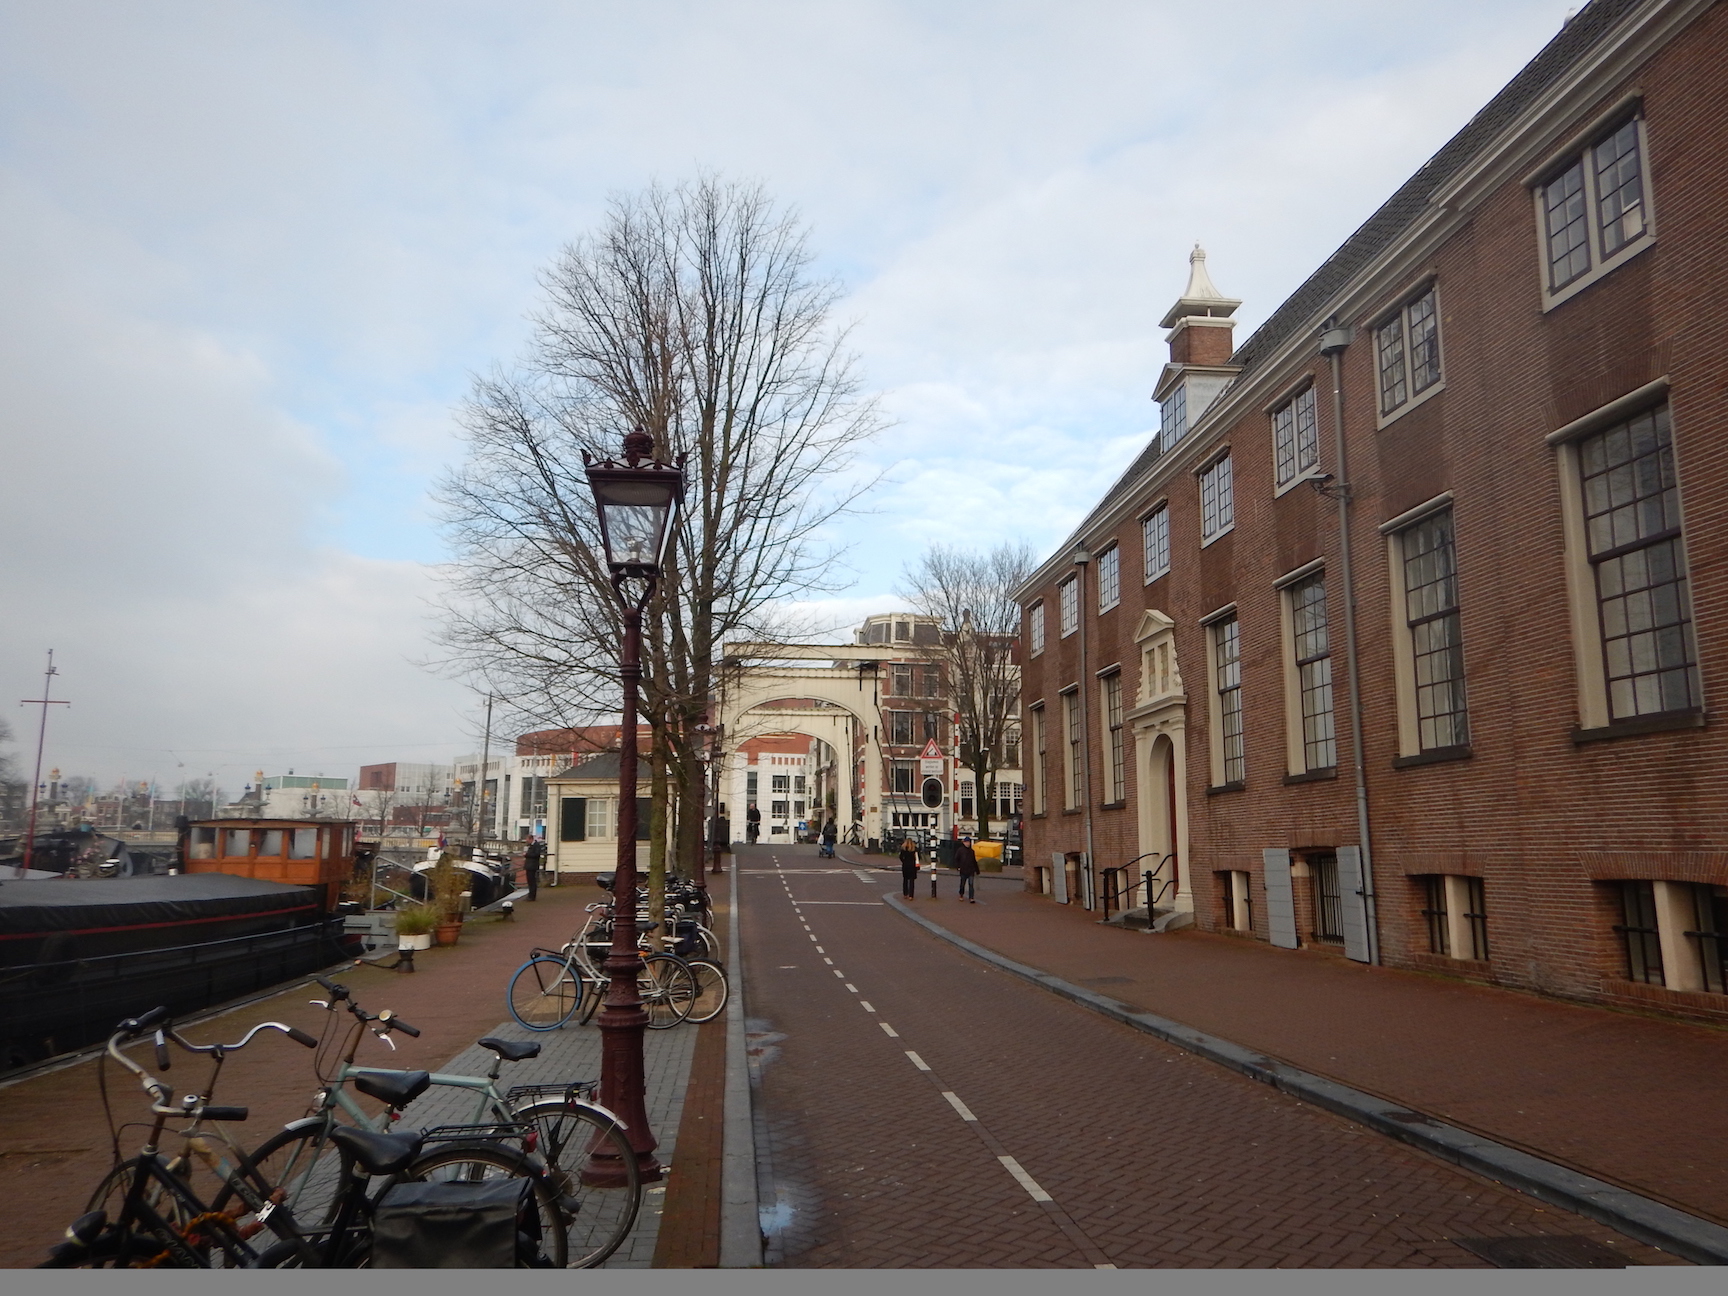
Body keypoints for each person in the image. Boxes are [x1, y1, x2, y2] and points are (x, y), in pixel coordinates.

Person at [954, 835, 979, 903]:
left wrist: (977, 870)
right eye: (966, 842)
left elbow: (974, 861)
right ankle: (961, 895)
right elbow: (957, 859)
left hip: (971, 870)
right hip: (963, 869)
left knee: (971, 884)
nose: (968, 843)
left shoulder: (972, 851)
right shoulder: (960, 850)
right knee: (962, 883)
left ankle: (971, 897)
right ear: (964, 843)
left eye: (969, 842)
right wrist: (958, 867)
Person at [523, 837, 545, 901]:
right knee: (530, 881)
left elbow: (536, 854)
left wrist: (527, 854)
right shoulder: (532, 845)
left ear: (531, 839)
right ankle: (530, 895)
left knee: (532, 881)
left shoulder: (536, 845)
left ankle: (532, 896)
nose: (527, 841)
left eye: (527, 840)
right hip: (530, 865)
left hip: (532, 866)